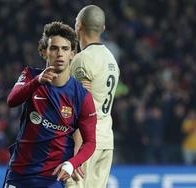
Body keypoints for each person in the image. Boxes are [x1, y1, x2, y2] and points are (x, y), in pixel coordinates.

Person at [3, 21, 97, 188]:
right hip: (19, 174)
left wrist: (72, 163)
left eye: (65, 49)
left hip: (52, 178)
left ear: (72, 54)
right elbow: (12, 100)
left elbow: (90, 142)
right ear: (44, 52)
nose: (60, 53)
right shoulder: (30, 75)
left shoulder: (82, 96)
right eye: (54, 48)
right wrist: (37, 81)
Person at [67, 5, 120, 188]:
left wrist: (77, 150)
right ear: (103, 28)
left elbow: (83, 105)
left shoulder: (83, 59)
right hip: (106, 139)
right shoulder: (111, 59)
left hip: (87, 142)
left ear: (78, 26)